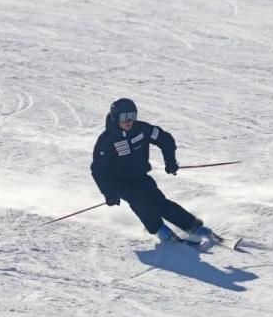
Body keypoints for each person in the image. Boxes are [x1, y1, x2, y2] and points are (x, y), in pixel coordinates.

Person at [91, 98, 215, 242]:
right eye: (124, 117)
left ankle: (193, 226)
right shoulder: (106, 140)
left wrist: (170, 161)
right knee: (140, 202)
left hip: (140, 176)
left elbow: (165, 139)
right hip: (120, 182)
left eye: (132, 116)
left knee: (160, 202)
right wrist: (109, 193)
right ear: (115, 117)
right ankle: (161, 231)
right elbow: (99, 170)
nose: (129, 121)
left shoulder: (142, 129)